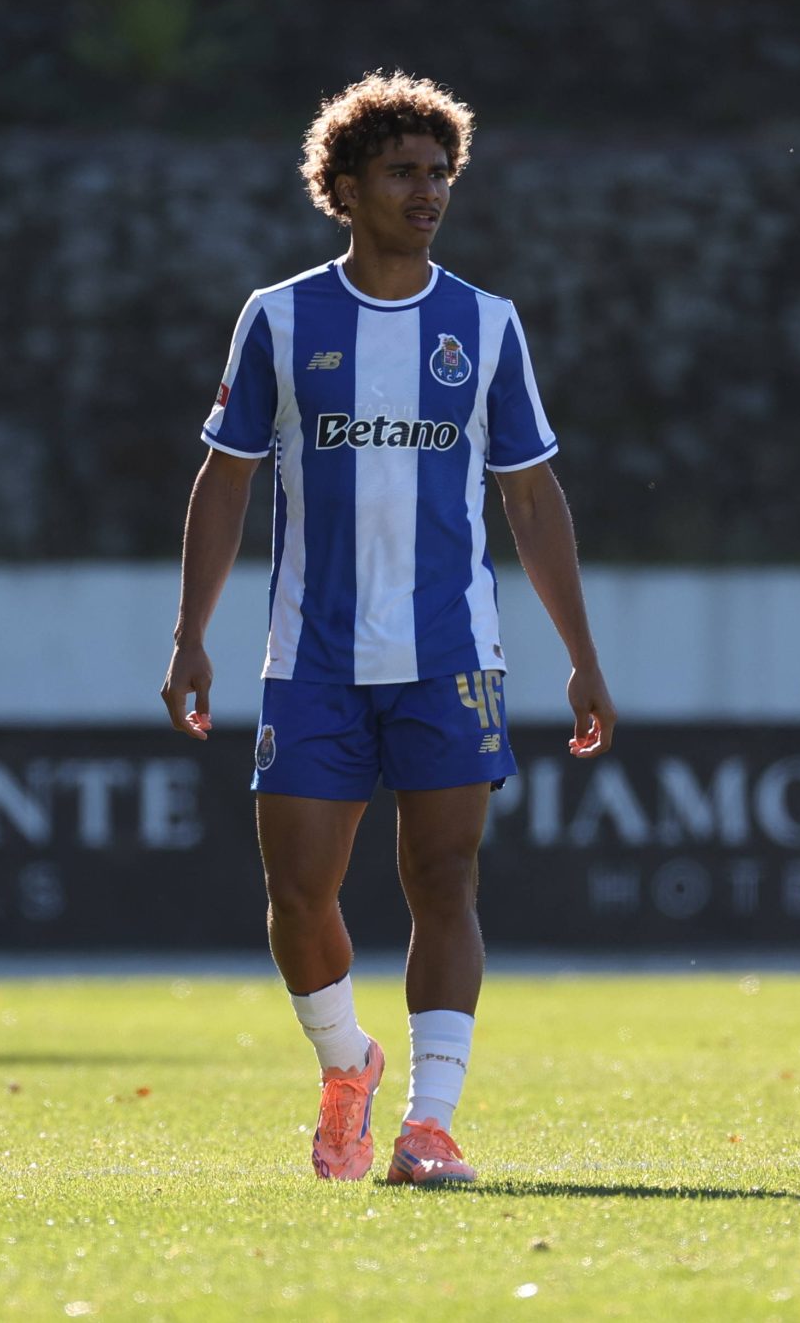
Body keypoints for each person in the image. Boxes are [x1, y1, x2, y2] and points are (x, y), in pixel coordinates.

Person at [160, 71, 616, 1186]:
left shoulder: (484, 325)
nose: (427, 192)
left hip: (451, 653)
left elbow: (529, 496)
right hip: (312, 658)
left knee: (444, 879)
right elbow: (222, 483)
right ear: (345, 186)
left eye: (439, 173)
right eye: (404, 173)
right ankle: (344, 1064)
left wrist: (580, 656)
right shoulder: (278, 318)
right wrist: (189, 634)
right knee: (297, 896)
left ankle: (429, 1124)